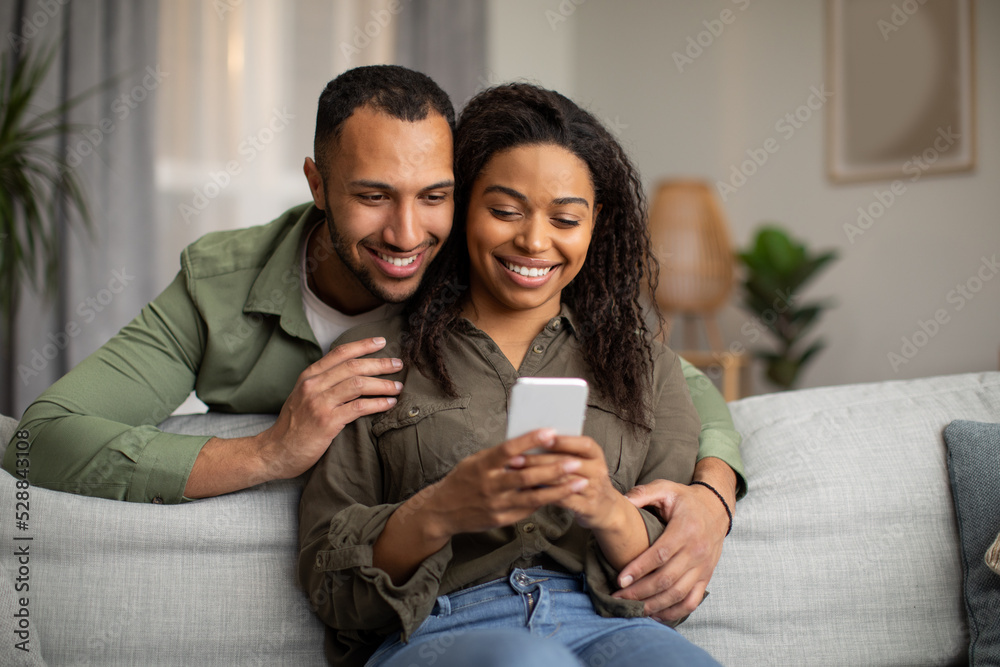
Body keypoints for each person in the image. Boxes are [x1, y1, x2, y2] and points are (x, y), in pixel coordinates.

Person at [2, 65, 743, 623]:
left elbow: (677, 384)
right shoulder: (219, 288)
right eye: (371, 195)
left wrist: (711, 496)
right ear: (318, 184)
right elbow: (40, 437)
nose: (406, 234)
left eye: (435, 195)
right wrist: (267, 452)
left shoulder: (482, 273)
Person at [298, 82, 725, 667]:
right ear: (462, 205)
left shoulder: (646, 367)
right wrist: (441, 509)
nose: (534, 241)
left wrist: (605, 506)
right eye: (504, 211)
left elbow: (671, 567)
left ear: (596, 222)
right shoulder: (370, 357)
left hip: (604, 623)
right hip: (440, 628)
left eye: (566, 218)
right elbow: (329, 582)